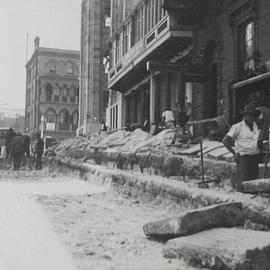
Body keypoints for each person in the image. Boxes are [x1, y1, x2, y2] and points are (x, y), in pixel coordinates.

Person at [223, 102, 261, 191]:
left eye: (254, 116)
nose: (252, 118)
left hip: (255, 159)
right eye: (250, 116)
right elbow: (225, 141)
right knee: (243, 185)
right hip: (244, 159)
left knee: (254, 185)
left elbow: (258, 141)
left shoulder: (256, 127)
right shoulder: (237, 127)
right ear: (245, 116)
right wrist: (234, 153)